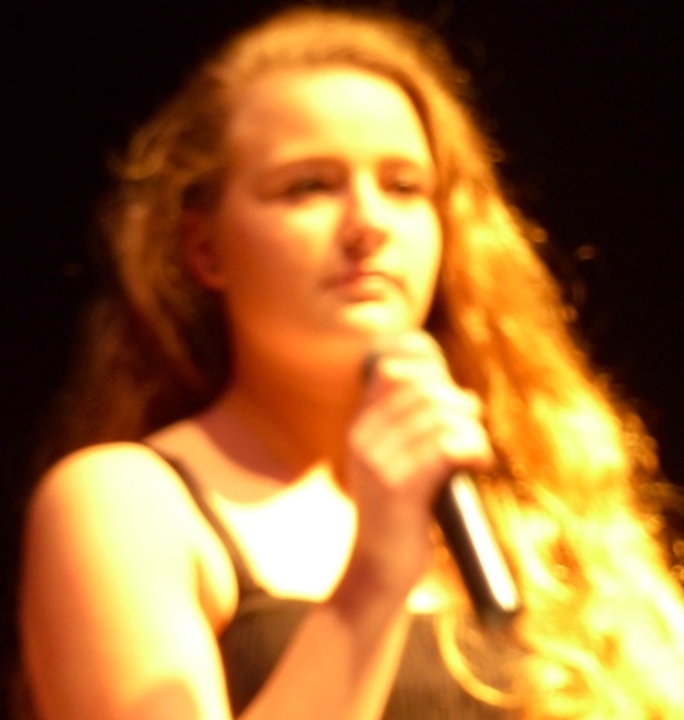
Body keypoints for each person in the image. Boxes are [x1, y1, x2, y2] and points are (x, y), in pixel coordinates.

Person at [16, 6, 684, 720]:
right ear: (204, 249)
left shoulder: (544, 508)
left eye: (404, 187)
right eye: (308, 186)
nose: (369, 224)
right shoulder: (126, 504)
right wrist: (374, 577)